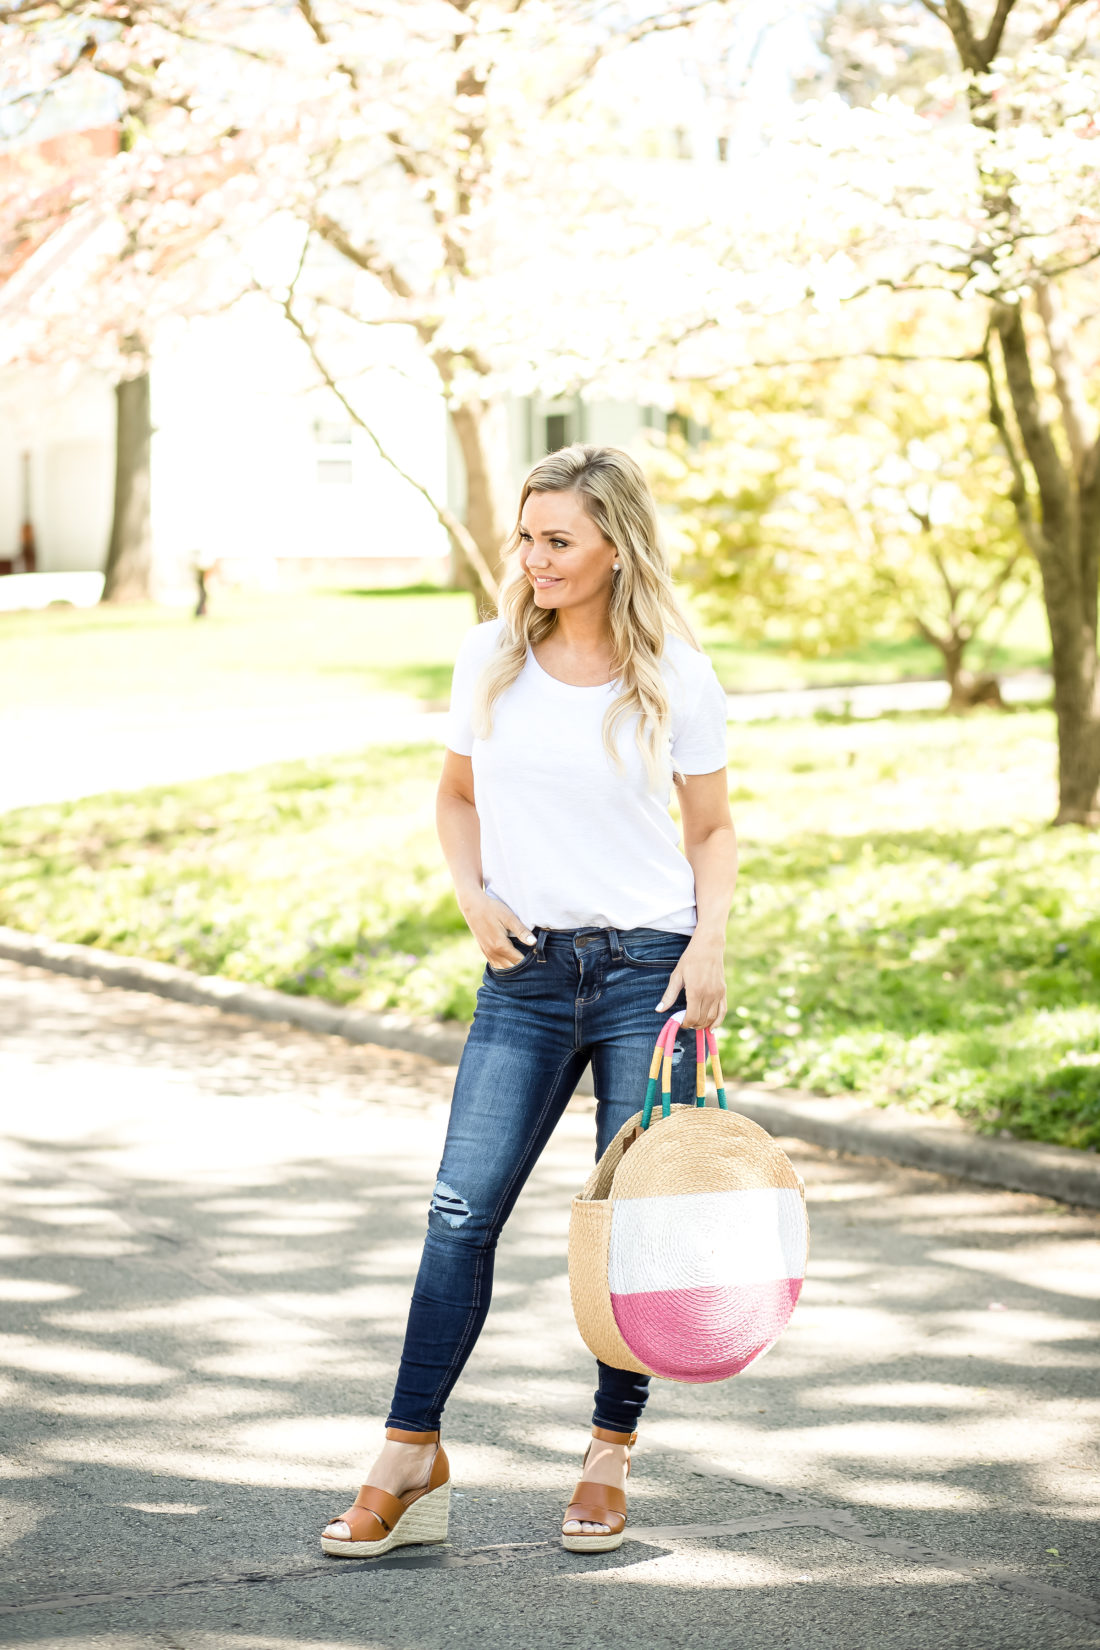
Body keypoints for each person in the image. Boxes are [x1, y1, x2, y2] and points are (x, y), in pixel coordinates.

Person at [321, 443, 737, 1560]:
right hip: (525, 972)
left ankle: (609, 1451)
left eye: (558, 540)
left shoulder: (675, 676)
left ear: (614, 547)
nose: (533, 558)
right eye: (526, 536)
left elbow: (709, 830)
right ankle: (409, 1454)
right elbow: (454, 799)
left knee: (627, 1225)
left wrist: (709, 946)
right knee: (459, 1214)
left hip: (648, 972)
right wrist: (472, 899)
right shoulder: (488, 658)